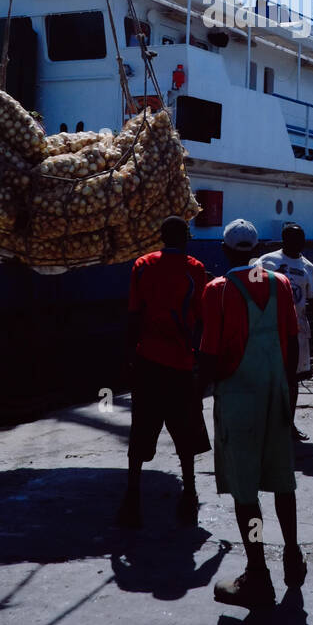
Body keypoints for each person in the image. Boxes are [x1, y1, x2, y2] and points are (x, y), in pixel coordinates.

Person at [200, 218, 305, 609]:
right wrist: (289, 394)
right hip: (275, 392)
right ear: (257, 248)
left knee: (246, 493)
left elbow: (209, 355)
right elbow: (292, 343)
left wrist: (198, 393)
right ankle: (293, 555)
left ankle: (258, 573)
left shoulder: (218, 290)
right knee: (283, 481)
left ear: (226, 251)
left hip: (238, 399)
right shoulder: (279, 284)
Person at [116, 216, 210, 528]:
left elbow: (132, 314)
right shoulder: (195, 269)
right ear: (186, 237)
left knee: (141, 429)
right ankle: (190, 493)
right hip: (181, 365)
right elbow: (200, 319)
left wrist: (130, 358)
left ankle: (131, 497)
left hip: (147, 363)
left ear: (160, 236)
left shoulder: (142, 265)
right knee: (185, 433)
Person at [254, 222, 313, 441]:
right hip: (268, 330)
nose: (299, 243)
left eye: (301, 238)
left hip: (298, 331)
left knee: (292, 381)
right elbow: (251, 290)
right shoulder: (265, 261)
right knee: (267, 379)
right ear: (284, 240)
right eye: (294, 239)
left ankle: (288, 424)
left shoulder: (308, 267)